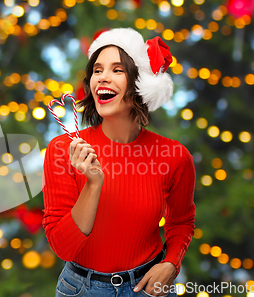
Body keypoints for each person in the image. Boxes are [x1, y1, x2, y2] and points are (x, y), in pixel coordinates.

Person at [42, 27, 196, 297]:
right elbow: (63, 249)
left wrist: (172, 263)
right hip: (82, 289)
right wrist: (93, 183)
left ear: (140, 82)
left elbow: (181, 221)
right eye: (97, 70)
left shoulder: (174, 156)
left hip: (150, 287)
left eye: (117, 70)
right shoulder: (62, 150)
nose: (102, 78)